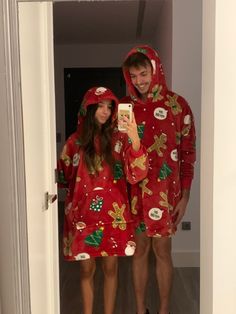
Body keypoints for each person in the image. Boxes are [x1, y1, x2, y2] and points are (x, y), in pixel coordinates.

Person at [57, 86, 148, 314]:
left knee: (111, 269)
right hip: (83, 216)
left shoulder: (119, 139)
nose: (106, 112)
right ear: (89, 108)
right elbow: (63, 176)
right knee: (86, 270)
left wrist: (135, 137)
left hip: (113, 216)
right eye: (100, 106)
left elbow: (137, 173)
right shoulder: (74, 142)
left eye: (110, 107)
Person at [121, 45, 196, 314]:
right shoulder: (124, 109)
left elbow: (188, 153)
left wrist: (185, 195)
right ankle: (141, 310)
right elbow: (119, 156)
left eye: (144, 74)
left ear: (155, 70)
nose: (140, 81)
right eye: (134, 76)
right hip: (135, 195)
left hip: (167, 196)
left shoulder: (178, 105)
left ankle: (163, 310)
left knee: (163, 253)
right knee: (139, 252)